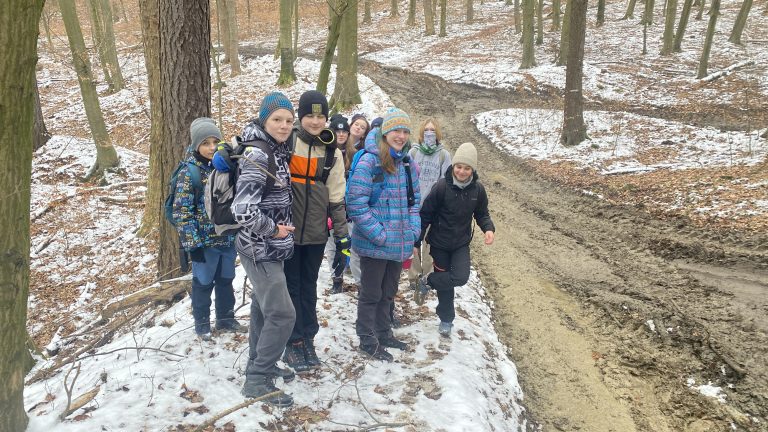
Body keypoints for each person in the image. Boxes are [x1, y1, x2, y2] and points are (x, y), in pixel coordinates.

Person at [232, 92, 297, 407]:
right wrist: (273, 229)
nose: (284, 126)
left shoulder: (276, 149)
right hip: (259, 248)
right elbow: (242, 210)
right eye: (277, 120)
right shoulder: (259, 155)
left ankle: (261, 365)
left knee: (263, 308)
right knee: (283, 314)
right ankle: (257, 380)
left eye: (288, 120)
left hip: (269, 248)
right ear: (263, 119)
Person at [347, 108, 421, 362]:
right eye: (396, 131)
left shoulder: (407, 163)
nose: (400, 136)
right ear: (385, 132)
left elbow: (414, 201)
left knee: (388, 292)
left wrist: (412, 231)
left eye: (404, 131)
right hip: (375, 243)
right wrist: (379, 234)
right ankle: (368, 339)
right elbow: (356, 202)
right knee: (371, 294)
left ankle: (384, 332)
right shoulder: (370, 161)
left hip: (399, 242)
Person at [282, 90, 348, 372]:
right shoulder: (287, 141)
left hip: (316, 233)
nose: (315, 121)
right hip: (287, 231)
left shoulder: (331, 152)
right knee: (290, 286)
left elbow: (336, 196)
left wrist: (343, 236)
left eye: (321, 116)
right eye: (310, 115)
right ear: (301, 116)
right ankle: (292, 341)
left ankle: (307, 336)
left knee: (308, 286)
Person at [173, 118, 245, 341]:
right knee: (203, 284)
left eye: (216, 141)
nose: (212, 147)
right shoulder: (190, 173)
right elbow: (182, 212)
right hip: (204, 244)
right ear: (196, 146)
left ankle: (226, 318)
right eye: (206, 143)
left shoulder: (224, 167)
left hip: (227, 239)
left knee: (226, 280)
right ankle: (202, 325)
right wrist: (193, 245)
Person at [414, 142, 495, 337]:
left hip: (460, 244)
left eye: (467, 168)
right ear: (454, 166)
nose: (462, 171)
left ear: (472, 169)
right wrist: (416, 240)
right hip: (440, 244)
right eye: (459, 166)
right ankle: (446, 320)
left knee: (460, 277)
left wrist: (488, 229)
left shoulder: (478, 190)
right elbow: (425, 215)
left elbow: (482, 213)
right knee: (447, 285)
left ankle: (428, 281)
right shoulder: (441, 187)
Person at [407, 118, 452, 291]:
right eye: (427, 130)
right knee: (413, 242)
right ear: (421, 132)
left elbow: (446, 181)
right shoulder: (413, 152)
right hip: (413, 206)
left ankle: (425, 275)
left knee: (428, 244)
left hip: (433, 207)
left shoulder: (443, 155)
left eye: (433, 130)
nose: (430, 133)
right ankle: (412, 276)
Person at [325, 114, 352, 294]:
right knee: (331, 245)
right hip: (328, 206)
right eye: (337, 131)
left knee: (345, 245)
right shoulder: (325, 152)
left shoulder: (354, 154)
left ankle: (344, 270)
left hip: (347, 208)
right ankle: (337, 278)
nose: (341, 134)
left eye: (344, 131)